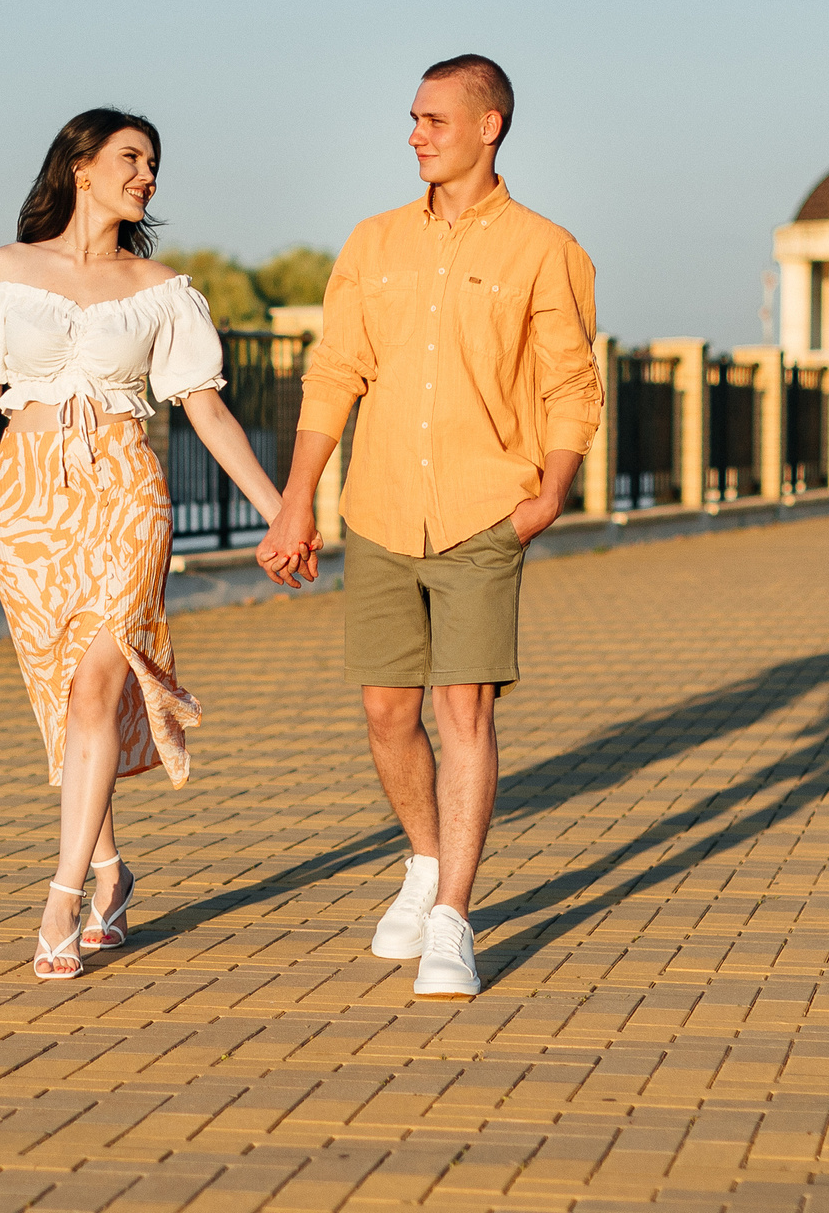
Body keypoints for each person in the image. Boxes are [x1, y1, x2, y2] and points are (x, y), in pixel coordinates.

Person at [255, 55, 600, 998]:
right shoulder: (371, 244)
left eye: (435, 120)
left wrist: (551, 491)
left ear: (489, 127)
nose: (416, 135)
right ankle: (421, 861)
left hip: (485, 511)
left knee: (464, 713)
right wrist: (297, 499)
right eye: (412, 118)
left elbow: (573, 384)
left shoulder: (545, 249)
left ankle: (452, 916)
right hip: (377, 512)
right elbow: (335, 374)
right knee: (384, 713)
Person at [0, 108, 287, 981]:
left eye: (154, 164)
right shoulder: (9, 272)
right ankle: (109, 870)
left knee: (98, 676)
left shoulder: (159, 288)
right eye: (132, 158)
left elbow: (205, 409)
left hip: (126, 493)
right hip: (27, 500)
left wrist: (282, 511)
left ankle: (58, 899)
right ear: (81, 167)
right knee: (67, 695)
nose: (148, 176)